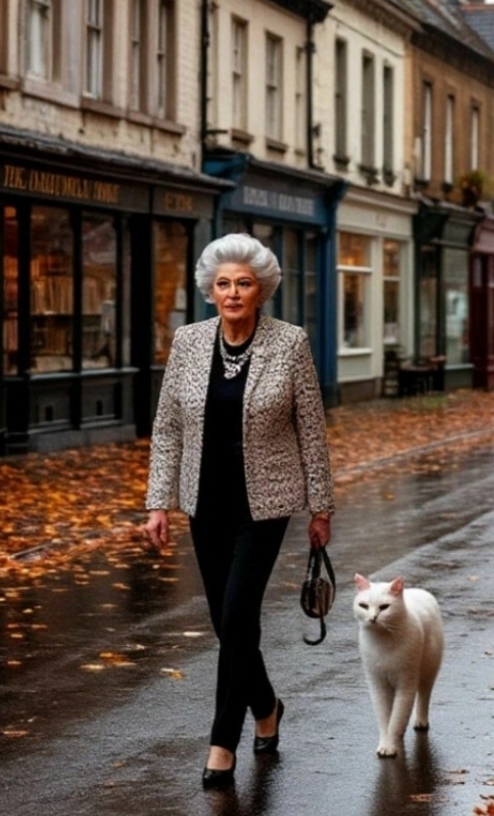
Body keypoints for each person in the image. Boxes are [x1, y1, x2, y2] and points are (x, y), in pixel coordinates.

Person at [144, 233, 334, 790]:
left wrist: (320, 507)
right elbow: (167, 428)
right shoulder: (188, 342)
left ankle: (222, 743)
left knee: (235, 617)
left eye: (243, 283)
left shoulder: (290, 343)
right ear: (211, 290)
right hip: (205, 500)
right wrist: (158, 501)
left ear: (261, 290)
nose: (232, 293)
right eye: (223, 283)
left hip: (266, 502)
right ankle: (267, 705)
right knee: (228, 624)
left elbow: (311, 429)